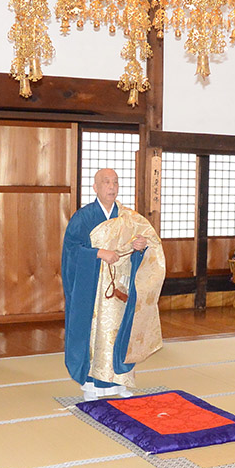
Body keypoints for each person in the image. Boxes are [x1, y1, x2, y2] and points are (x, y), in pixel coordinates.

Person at [62, 168, 166, 401]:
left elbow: (146, 244)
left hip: (122, 284)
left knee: (122, 332)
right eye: (106, 182)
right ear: (95, 187)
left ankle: (120, 381)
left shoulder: (129, 217)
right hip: (94, 287)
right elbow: (71, 251)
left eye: (115, 182)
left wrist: (140, 246)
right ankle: (92, 384)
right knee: (97, 333)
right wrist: (99, 253)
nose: (111, 186)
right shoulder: (83, 217)